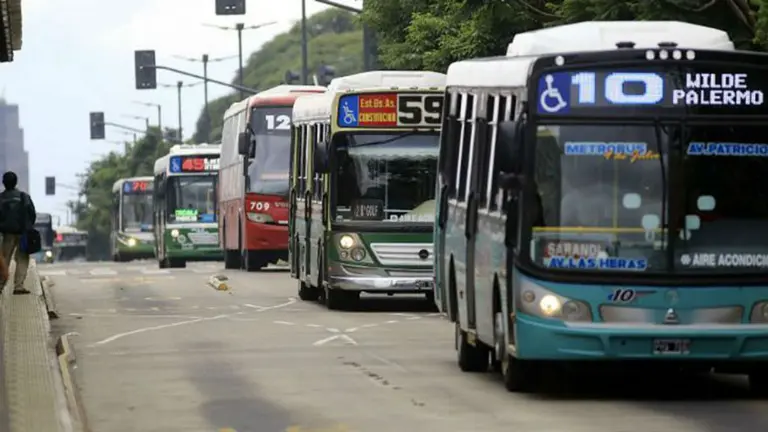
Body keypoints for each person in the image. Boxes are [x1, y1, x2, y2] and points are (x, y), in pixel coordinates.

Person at [0, 171, 36, 294]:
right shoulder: (23, 196)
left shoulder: (1, 198)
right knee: (22, 259)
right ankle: (19, 286)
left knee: (4, 259)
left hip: (7, 234)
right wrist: (28, 227)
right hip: (23, 233)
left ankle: (0, 284)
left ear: (3, 183)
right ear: (16, 182)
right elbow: (32, 213)